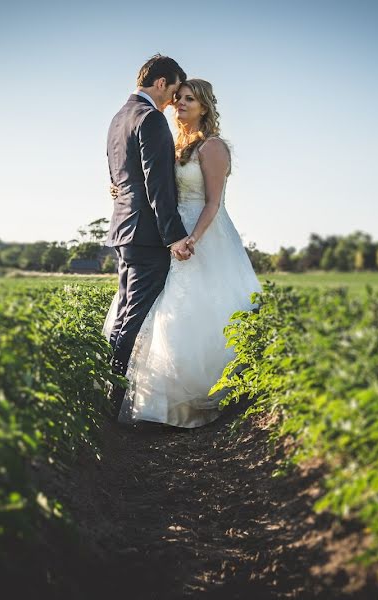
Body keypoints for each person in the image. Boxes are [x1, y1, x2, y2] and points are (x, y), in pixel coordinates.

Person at [103, 78, 262, 428]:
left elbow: (215, 202)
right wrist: (121, 186)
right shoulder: (176, 146)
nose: (181, 105)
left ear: (205, 106)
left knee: (197, 311)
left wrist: (192, 238)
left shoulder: (214, 147)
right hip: (171, 235)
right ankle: (157, 403)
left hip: (201, 235)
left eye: (190, 99)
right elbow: (153, 183)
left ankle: (200, 400)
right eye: (178, 99)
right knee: (161, 313)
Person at [104, 55, 195, 422]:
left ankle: (102, 385)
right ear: (160, 83)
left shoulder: (118, 118)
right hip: (146, 235)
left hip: (124, 230)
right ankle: (111, 400)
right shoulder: (151, 119)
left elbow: (116, 177)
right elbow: (158, 184)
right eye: (174, 90)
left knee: (125, 312)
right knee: (135, 317)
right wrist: (173, 236)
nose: (174, 100)